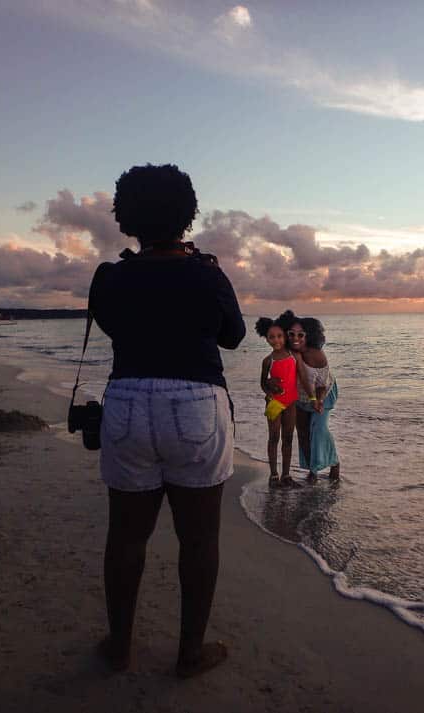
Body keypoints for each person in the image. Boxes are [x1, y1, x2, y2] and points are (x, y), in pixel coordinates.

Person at [88, 164, 245, 677]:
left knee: (126, 537)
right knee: (199, 539)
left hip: (128, 399)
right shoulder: (207, 273)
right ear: (187, 214)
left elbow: (113, 323)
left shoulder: (111, 277)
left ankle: (118, 646)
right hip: (196, 402)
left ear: (125, 216)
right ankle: (190, 652)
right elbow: (233, 336)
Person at [276, 310, 340, 481]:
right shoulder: (287, 352)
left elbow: (322, 384)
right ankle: (313, 470)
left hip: (323, 394)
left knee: (319, 429)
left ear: (308, 336)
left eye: (300, 334)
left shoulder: (317, 356)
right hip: (300, 397)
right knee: (303, 433)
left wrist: (317, 400)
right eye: (291, 334)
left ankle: (335, 463)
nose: (295, 338)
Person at [254, 318, 316, 487]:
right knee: (274, 438)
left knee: (288, 439)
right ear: (266, 339)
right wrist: (268, 392)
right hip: (274, 404)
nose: (276, 340)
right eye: (272, 337)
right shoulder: (268, 361)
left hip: (291, 404)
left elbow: (303, 378)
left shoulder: (294, 356)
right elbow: (262, 382)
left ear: (285, 337)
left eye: (280, 336)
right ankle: (274, 476)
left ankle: (286, 475)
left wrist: (313, 399)